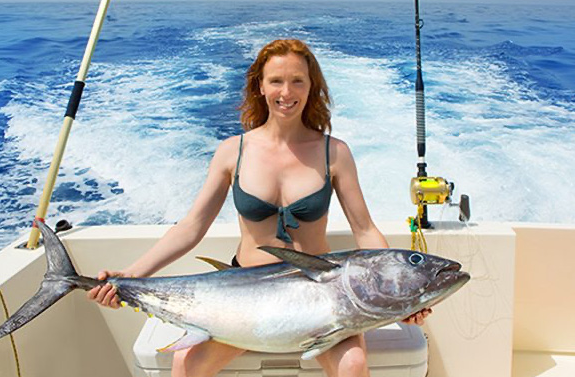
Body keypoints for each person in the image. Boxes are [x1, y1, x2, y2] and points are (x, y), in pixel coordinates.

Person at [88, 39, 431, 377]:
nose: (287, 92)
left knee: (353, 366)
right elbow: (192, 227)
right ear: (260, 87)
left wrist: (402, 295)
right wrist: (132, 275)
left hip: (323, 298)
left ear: (313, 87)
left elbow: (364, 229)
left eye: (298, 80)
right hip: (244, 298)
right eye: (276, 81)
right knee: (186, 366)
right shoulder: (232, 151)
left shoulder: (334, 152)